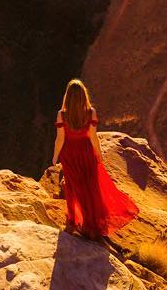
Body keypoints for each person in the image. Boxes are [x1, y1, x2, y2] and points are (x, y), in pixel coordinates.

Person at [52, 78, 138, 239]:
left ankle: (71, 222)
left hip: (69, 155)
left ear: (67, 97)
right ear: (84, 96)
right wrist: (98, 154)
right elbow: (93, 137)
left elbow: (60, 139)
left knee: (72, 188)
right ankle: (92, 225)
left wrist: (55, 157)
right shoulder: (91, 113)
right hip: (86, 153)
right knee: (91, 188)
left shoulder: (62, 115)